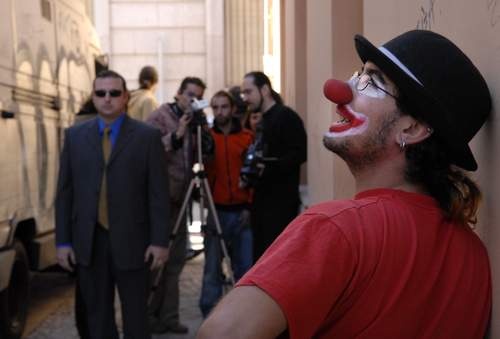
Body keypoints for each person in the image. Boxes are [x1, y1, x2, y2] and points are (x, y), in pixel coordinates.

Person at [197, 30, 492, 338]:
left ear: (413, 128)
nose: (341, 92)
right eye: (358, 75)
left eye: (373, 81)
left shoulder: (336, 227)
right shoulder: (474, 255)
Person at [55, 70, 170, 339]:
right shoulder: (74, 137)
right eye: (101, 93)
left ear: (125, 97)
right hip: (89, 242)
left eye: (114, 93)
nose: (107, 99)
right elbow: (65, 193)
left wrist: (160, 241)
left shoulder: (147, 137)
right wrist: (62, 242)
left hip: (135, 243)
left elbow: (158, 194)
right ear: (93, 97)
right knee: (97, 318)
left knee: (137, 319)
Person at [146, 76, 208, 334]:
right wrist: (178, 133)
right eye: (189, 95)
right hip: (159, 202)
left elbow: (204, 154)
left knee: (176, 262)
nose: (192, 101)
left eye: (197, 97)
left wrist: (201, 129)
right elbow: (149, 152)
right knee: (155, 262)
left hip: (181, 199)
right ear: (179, 94)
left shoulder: (194, 122)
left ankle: (170, 317)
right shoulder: (158, 117)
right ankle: (148, 315)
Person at [240, 71, 307, 262]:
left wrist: (270, 166)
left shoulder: (286, 117)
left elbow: (300, 153)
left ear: (265, 89)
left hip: (280, 206)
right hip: (260, 204)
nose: (245, 98)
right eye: (243, 93)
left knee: (277, 261)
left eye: (248, 92)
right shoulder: (258, 120)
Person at [199, 90, 254, 317]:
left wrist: (250, 206)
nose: (220, 111)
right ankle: (209, 315)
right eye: (216, 107)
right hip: (216, 210)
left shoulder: (247, 137)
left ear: (232, 109)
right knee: (212, 268)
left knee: (245, 268)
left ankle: (242, 315)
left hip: (242, 210)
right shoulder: (206, 138)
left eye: (224, 106)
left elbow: (253, 176)